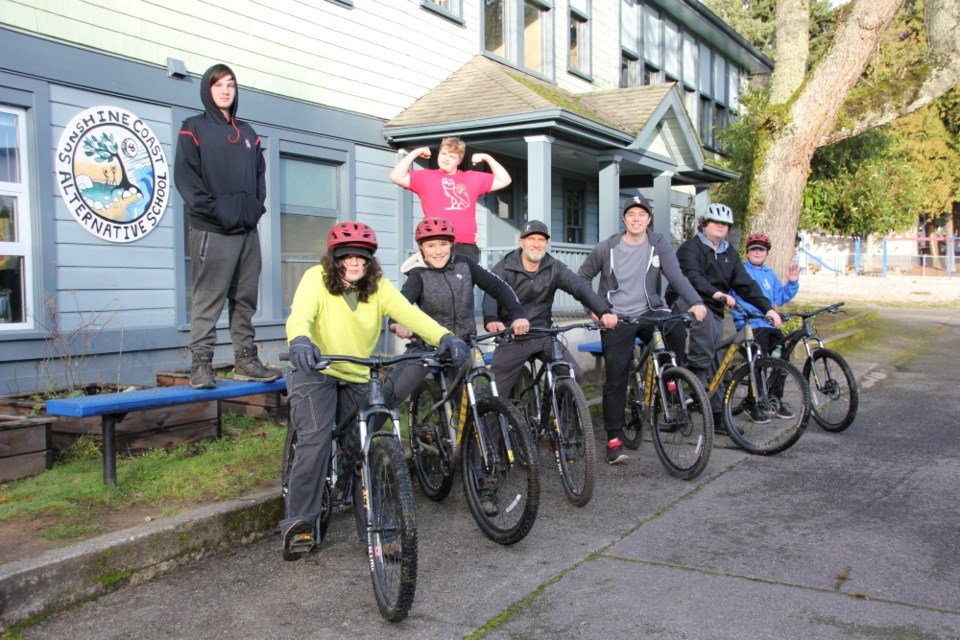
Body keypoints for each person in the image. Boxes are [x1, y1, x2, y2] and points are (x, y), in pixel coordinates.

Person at [282, 221, 469, 559]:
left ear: (369, 262)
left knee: (363, 448)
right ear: (335, 258)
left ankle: (377, 531)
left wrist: (445, 337)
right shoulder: (314, 279)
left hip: (357, 373)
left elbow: (410, 315)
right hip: (316, 369)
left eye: (362, 258)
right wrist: (300, 341)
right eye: (347, 257)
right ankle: (301, 523)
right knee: (316, 440)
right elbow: (301, 316)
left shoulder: (378, 286)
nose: (355, 263)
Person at [382, 217, 530, 518]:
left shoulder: (466, 264)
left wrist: (516, 313)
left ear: (452, 245)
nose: (438, 251)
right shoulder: (417, 275)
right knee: (390, 393)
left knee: (476, 406)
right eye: (431, 245)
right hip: (427, 347)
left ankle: (484, 483)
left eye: (443, 244)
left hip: (461, 344)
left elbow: (499, 287)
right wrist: (397, 324)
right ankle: (360, 447)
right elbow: (399, 304)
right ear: (422, 248)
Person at [578, 194, 708, 465]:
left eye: (642, 215)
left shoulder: (657, 243)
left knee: (675, 327)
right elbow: (582, 278)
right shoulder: (607, 248)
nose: (636, 219)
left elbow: (675, 275)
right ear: (624, 219)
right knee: (617, 376)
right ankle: (613, 438)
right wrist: (596, 309)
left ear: (648, 220)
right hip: (617, 316)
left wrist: (695, 301)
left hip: (650, 311)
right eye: (631, 214)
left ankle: (671, 385)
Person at [174, 63, 281, 389]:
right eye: (218, 84)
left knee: (245, 298)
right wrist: (217, 212)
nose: (225, 90)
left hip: (247, 230)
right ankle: (201, 365)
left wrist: (255, 210)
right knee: (209, 298)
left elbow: (259, 178)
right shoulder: (193, 128)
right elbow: (186, 179)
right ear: (208, 90)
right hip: (213, 229)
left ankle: (245, 361)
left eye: (230, 85)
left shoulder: (248, 134)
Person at [665, 203, 782, 431]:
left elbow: (746, 283)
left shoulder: (729, 253)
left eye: (725, 224)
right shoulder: (691, 248)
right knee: (706, 351)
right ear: (705, 224)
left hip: (715, 305)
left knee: (719, 360)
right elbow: (693, 277)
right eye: (715, 222)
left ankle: (717, 416)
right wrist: (716, 293)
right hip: (687, 301)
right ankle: (692, 390)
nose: (720, 227)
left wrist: (767, 308)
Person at [482, 219, 618, 406]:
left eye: (541, 239)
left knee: (572, 374)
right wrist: (491, 319)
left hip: (543, 333)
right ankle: (489, 435)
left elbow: (579, 288)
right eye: (531, 239)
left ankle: (561, 426)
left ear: (546, 244)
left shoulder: (554, 267)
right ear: (521, 242)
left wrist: (603, 311)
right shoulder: (505, 266)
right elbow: (491, 293)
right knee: (495, 392)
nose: (536, 244)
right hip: (512, 336)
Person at [388, 137, 512, 263]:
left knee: (463, 282)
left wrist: (487, 158)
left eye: (452, 156)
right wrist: (416, 152)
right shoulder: (426, 177)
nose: (446, 158)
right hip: (435, 244)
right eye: (444, 153)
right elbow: (396, 176)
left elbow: (504, 180)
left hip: (465, 246)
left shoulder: (472, 178)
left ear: (459, 160)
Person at [730, 232, 800, 421]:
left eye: (761, 250)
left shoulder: (770, 274)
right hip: (751, 324)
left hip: (769, 324)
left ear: (767, 253)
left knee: (782, 356)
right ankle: (754, 401)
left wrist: (792, 282)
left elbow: (780, 297)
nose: (757, 252)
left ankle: (774, 398)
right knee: (758, 359)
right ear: (748, 252)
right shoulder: (740, 271)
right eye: (754, 249)